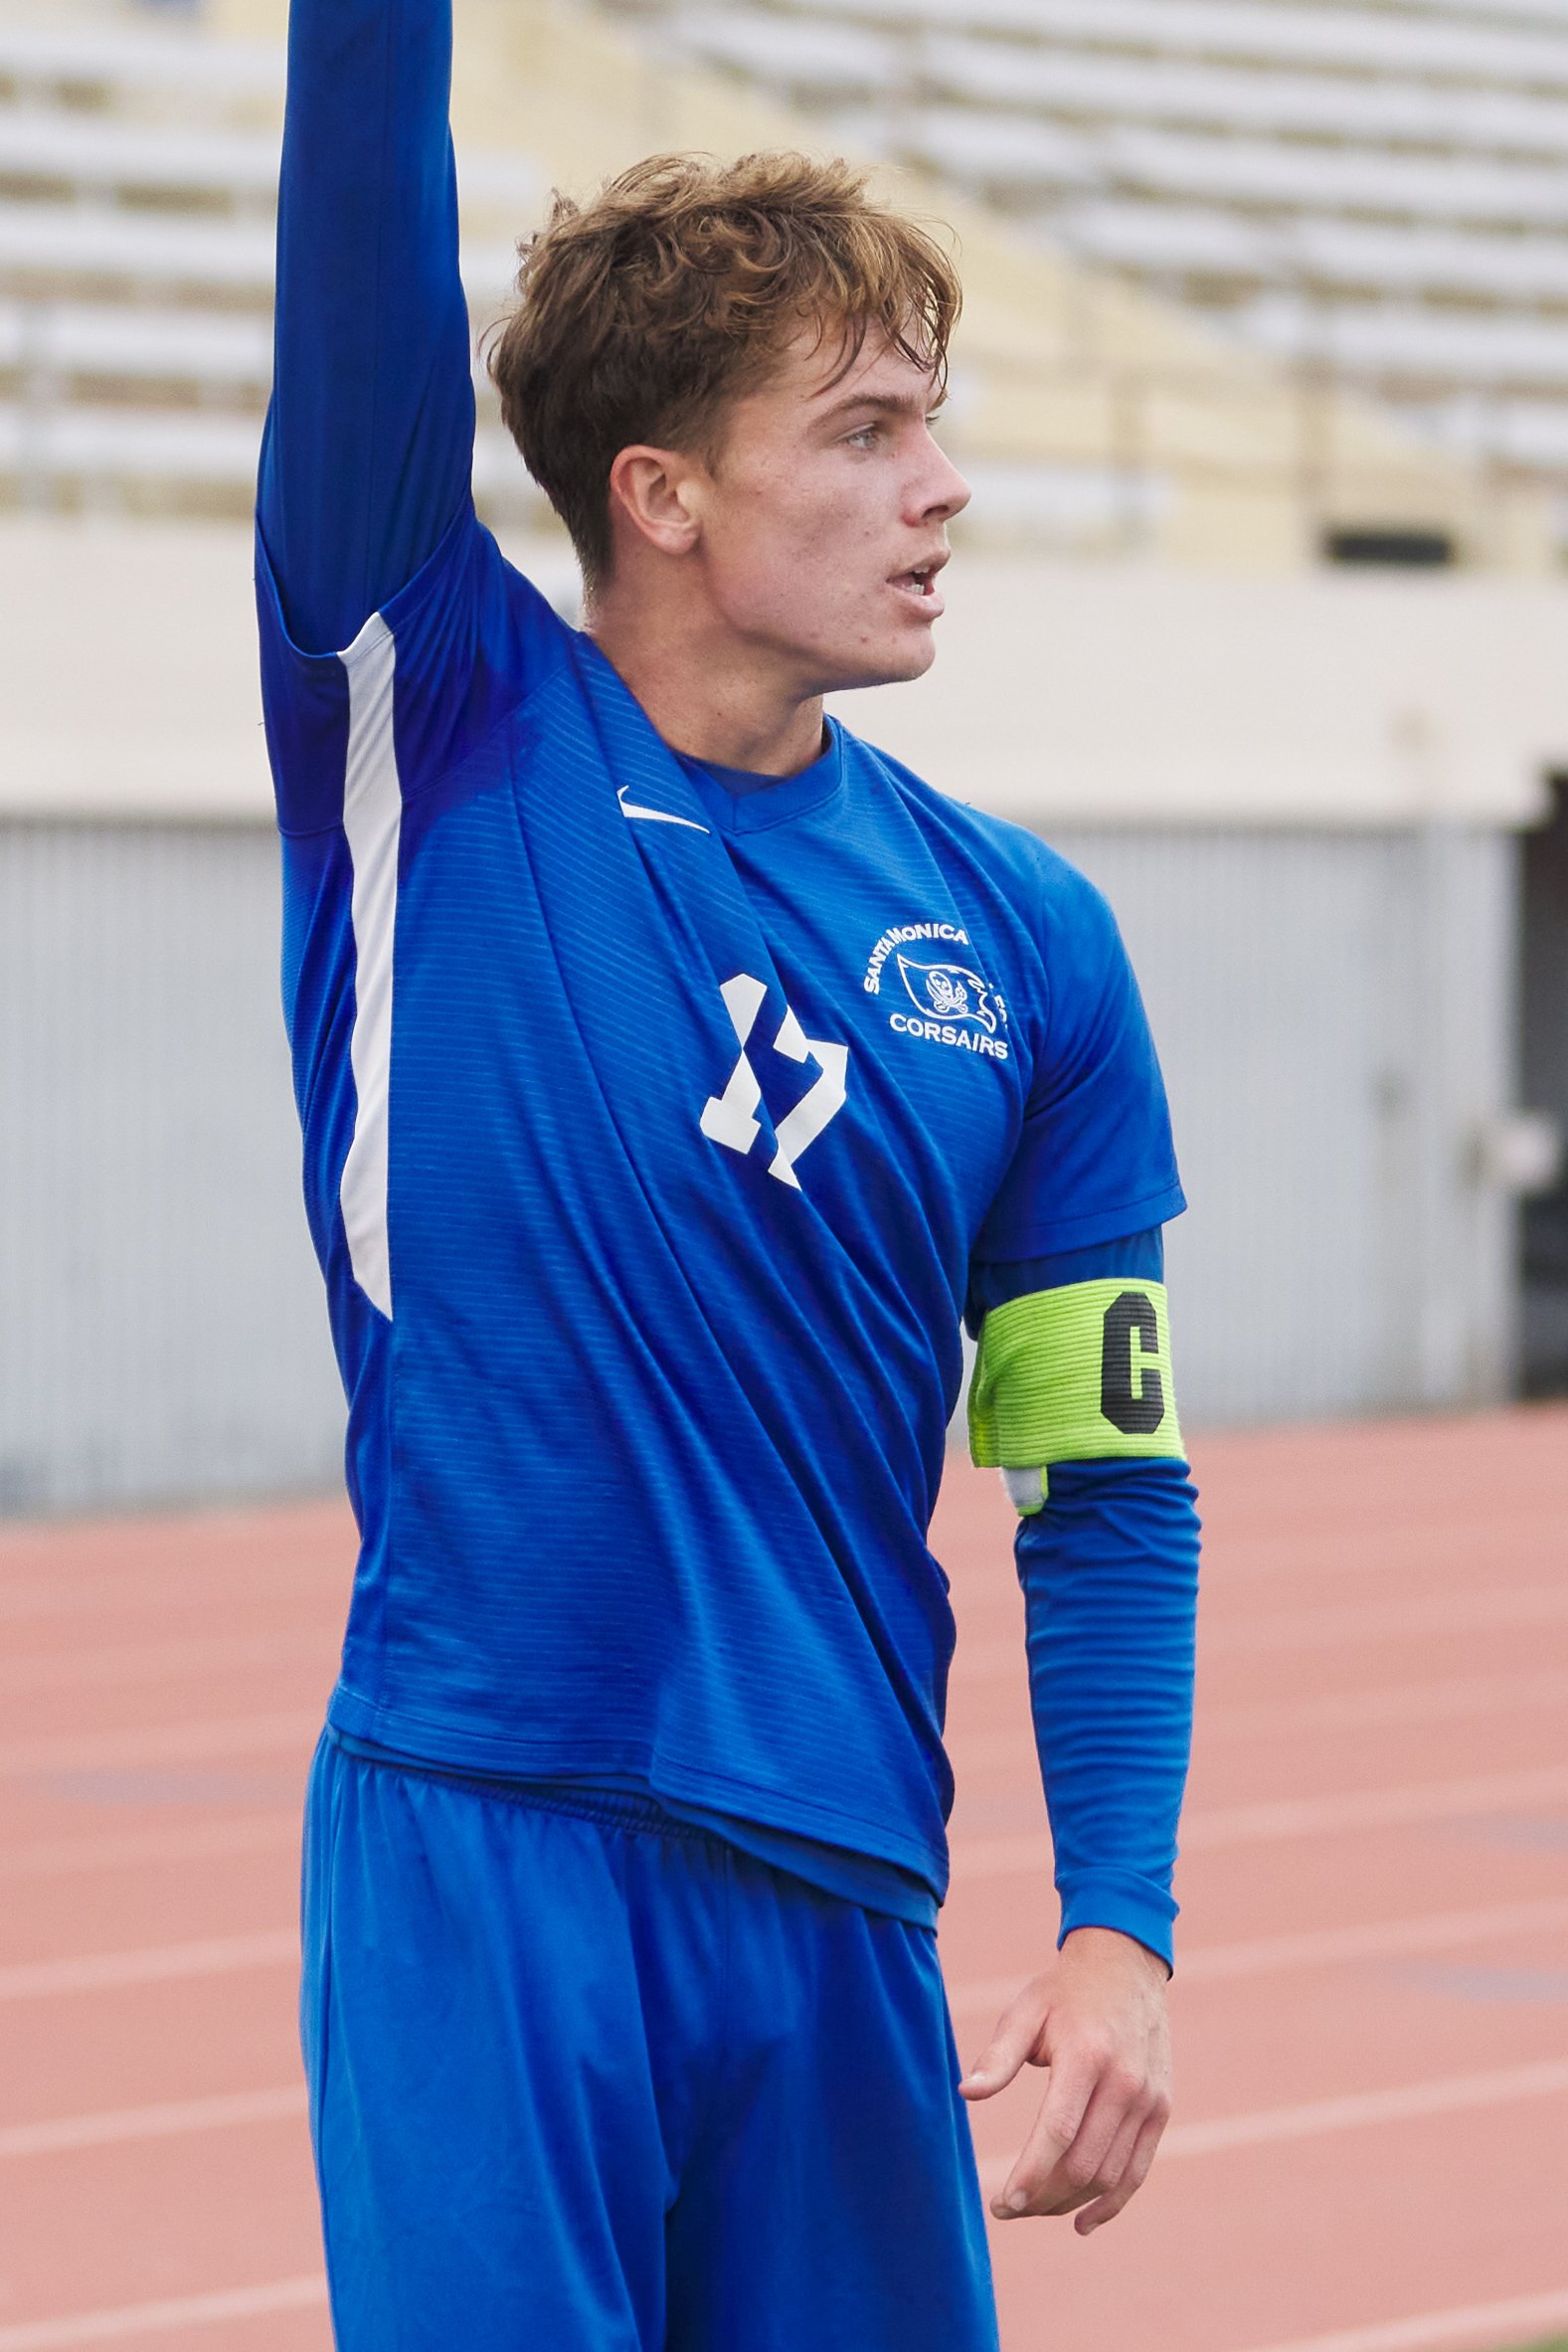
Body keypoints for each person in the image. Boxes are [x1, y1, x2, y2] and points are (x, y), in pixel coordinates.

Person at [257, 1, 1200, 2343]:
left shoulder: (1031, 944)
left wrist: (1117, 1922)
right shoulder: (438, 707)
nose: (941, 488)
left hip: (846, 1897)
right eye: (867, 432)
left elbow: (1106, 1482)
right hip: (490, 1836)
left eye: (936, 427)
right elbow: (362, 192)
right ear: (661, 490)